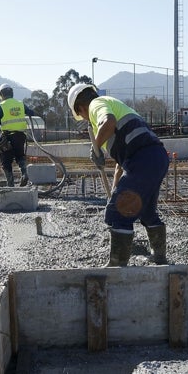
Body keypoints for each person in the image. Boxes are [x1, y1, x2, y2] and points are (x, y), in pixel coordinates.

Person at [67, 82, 170, 266]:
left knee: (117, 213)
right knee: (146, 212)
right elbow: (120, 166)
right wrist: (115, 191)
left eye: (82, 115)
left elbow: (109, 122)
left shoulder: (96, 104)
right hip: (156, 158)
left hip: (143, 159)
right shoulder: (119, 106)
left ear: (81, 108)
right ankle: (159, 257)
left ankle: (117, 265)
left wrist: (96, 146)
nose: (86, 118)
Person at [0, 84, 30, 186]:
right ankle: (24, 174)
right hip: (20, 136)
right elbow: (31, 112)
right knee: (20, 156)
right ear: (12, 93)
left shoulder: (0, 106)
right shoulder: (20, 104)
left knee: (6, 161)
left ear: (1, 94)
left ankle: (10, 183)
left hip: (7, 138)